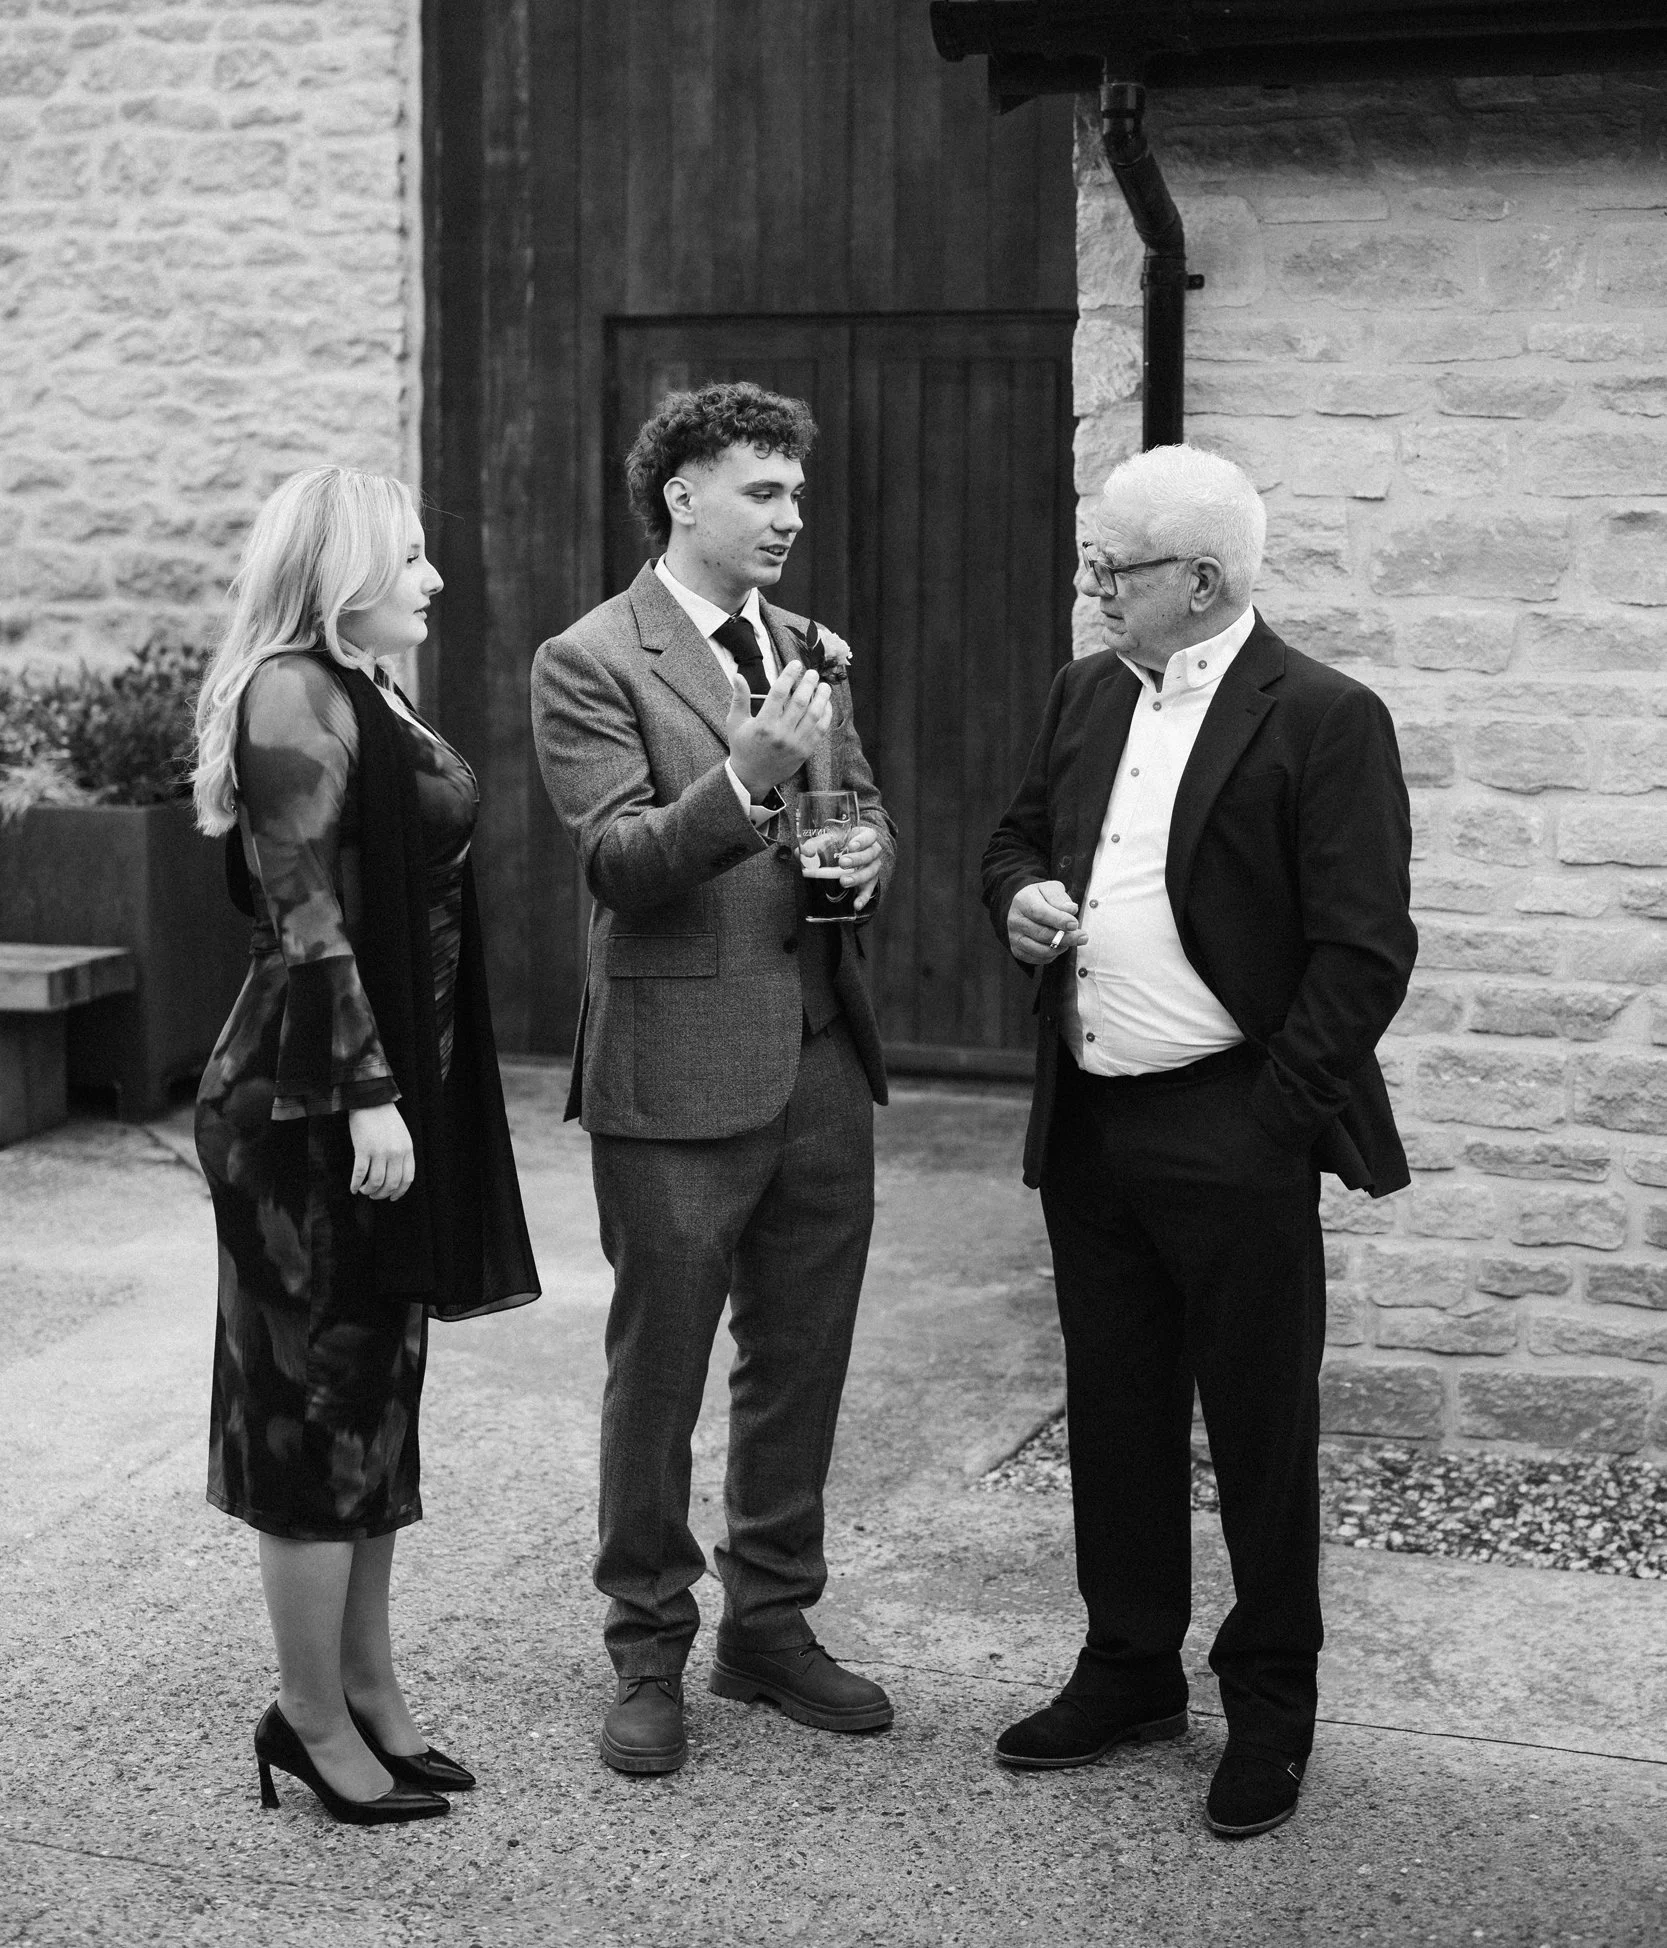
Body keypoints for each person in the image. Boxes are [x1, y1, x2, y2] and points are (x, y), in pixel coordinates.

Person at [981, 442, 1416, 1840]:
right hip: (1093, 1119)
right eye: (1093, 562)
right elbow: (1012, 842)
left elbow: (1365, 951)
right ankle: (1128, 1673)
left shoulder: (1325, 717)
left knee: (1259, 1431)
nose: (1093, 587)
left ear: (1205, 581)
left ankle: (1270, 1708)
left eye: (1114, 567)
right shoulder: (1084, 693)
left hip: (1234, 1124)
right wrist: (1022, 900)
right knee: (1112, 1413)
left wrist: (1270, 1124)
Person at [531, 381, 897, 1777]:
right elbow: (620, 863)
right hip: (674, 1068)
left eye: (797, 492)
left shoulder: (806, 649)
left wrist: (865, 853)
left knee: (801, 1360)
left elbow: (859, 802)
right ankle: (646, 1648)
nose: (791, 516)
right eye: (764, 490)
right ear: (682, 495)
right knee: (661, 1371)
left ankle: (772, 1627)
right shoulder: (590, 658)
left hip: (819, 1055)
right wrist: (744, 783)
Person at [193, 466, 540, 1825]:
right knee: (317, 1418)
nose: (432, 578)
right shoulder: (293, 690)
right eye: (408, 557)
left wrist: (406, 1094)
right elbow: (302, 911)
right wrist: (367, 1095)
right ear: (339, 573)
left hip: (388, 1091)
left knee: (378, 1412)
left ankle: (372, 1695)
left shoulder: (367, 688)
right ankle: (310, 1717)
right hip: (309, 1106)